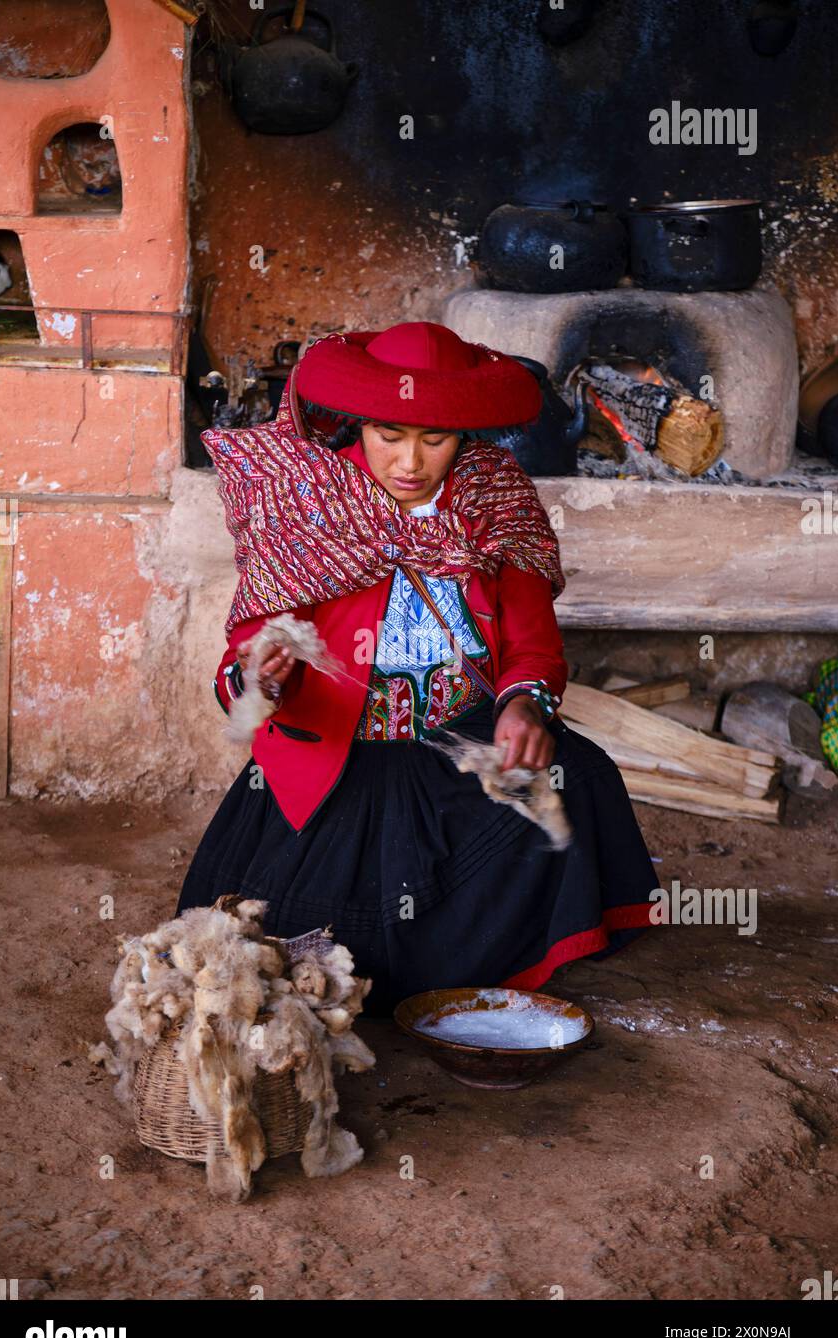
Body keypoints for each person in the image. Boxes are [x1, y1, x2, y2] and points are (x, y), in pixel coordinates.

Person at [176, 322, 659, 1015]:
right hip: (343, 756)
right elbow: (247, 654)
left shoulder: (494, 500)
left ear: (464, 434)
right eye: (389, 436)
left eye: (434, 439)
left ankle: (484, 955)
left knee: (574, 779)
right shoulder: (308, 501)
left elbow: (532, 643)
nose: (410, 461)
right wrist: (264, 682)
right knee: (291, 935)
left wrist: (523, 705)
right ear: (358, 425)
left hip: (453, 746)